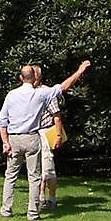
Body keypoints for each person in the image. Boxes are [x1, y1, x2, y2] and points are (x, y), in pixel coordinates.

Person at [0, 59, 90, 220]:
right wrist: (80, 71)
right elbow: (63, 87)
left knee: (10, 175)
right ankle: (32, 212)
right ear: (34, 78)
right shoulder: (40, 93)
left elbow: (2, 121)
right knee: (34, 177)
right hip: (32, 138)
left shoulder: (11, 95)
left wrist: (5, 142)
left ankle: (6, 209)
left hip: (14, 138)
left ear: (20, 77)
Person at [32, 63, 63, 211]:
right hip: (32, 133)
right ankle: (40, 198)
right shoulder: (28, 92)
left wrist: (58, 135)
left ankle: (51, 198)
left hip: (45, 132)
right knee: (36, 168)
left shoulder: (47, 92)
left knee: (48, 169)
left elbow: (57, 116)